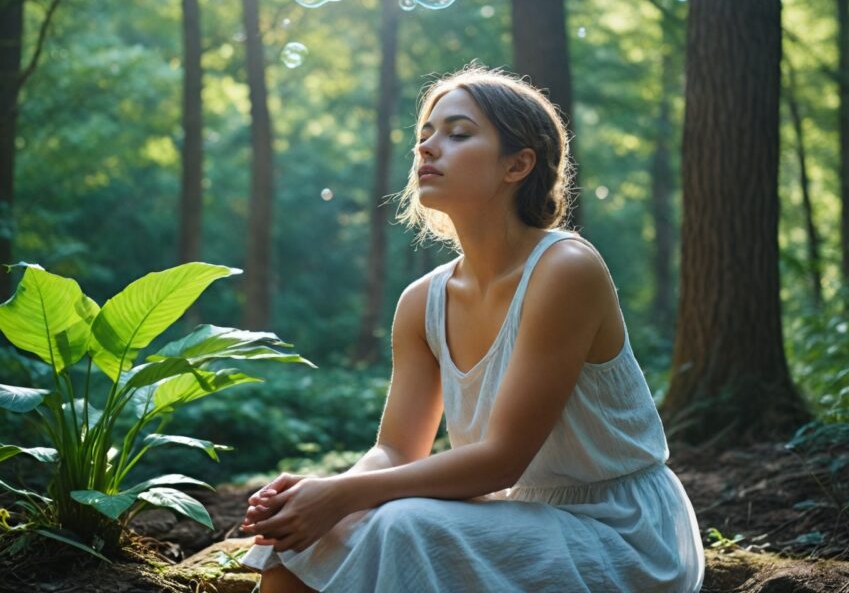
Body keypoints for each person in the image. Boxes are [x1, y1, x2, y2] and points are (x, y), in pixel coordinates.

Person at [239, 65, 705, 592]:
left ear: (518, 164)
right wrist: (325, 494)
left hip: (620, 531)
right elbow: (395, 450)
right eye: (425, 135)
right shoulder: (422, 301)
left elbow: (502, 460)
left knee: (401, 523)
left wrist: (343, 497)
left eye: (458, 134)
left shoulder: (565, 269)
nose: (427, 149)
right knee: (295, 536)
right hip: (510, 516)